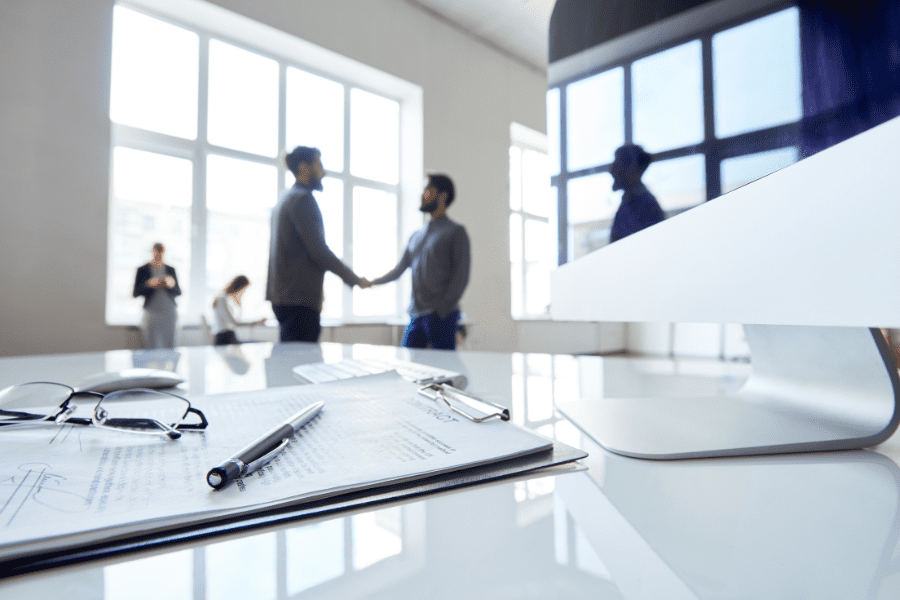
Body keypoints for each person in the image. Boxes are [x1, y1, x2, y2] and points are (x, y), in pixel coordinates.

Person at [266, 146, 370, 342]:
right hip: (300, 302)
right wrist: (354, 278)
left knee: (290, 360)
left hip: (283, 298)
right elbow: (319, 251)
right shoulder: (303, 200)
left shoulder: (284, 199)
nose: (323, 172)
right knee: (300, 363)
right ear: (305, 168)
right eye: (319, 165)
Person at [370, 174, 470, 350]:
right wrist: (372, 282)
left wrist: (442, 310)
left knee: (444, 372)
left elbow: (461, 276)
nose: (422, 195)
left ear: (442, 196)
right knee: (408, 366)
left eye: (427, 190)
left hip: (441, 315)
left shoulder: (456, 232)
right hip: (416, 315)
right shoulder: (416, 236)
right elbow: (399, 270)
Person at [609, 144, 665, 243]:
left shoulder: (646, 207)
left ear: (632, 167)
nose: (612, 170)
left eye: (617, 163)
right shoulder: (629, 203)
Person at [133, 242, 181, 349]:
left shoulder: (170, 270)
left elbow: (178, 291)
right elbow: (136, 293)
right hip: (151, 313)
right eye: (156, 252)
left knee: (170, 347)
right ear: (152, 252)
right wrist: (149, 284)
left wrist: (170, 285)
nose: (159, 255)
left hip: (169, 313)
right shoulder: (143, 270)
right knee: (150, 347)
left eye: (161, 252)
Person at [212, 275, 266, 345]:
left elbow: (236, 321)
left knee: (257, 343)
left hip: (229, 336)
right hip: (224, 338)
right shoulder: (222, 299)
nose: (243, 293)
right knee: (257, 344)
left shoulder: (228, 300)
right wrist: (256, 323)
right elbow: (234, 323)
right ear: (239, 288)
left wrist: (239, 304)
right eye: (244, 289)